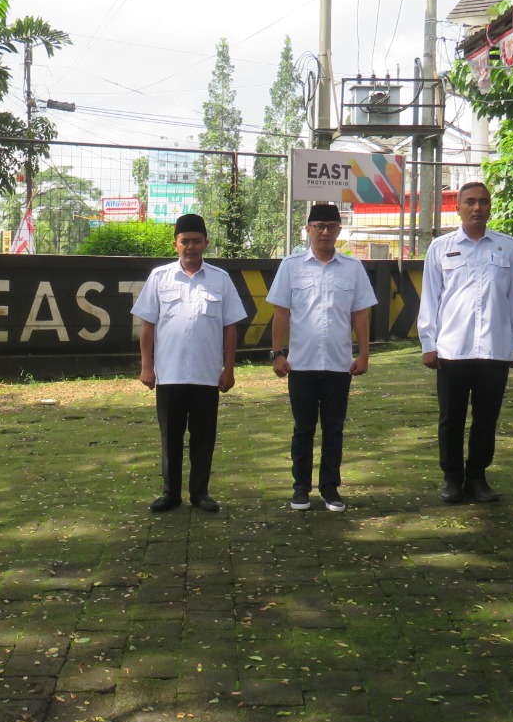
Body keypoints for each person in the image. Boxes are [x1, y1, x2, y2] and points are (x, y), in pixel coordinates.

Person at [417, 181, 513, 504]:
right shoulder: (441, 247)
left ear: (490, 207)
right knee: (450, 419)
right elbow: (430, 298)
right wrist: (428, 342)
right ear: (458, 207)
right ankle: (452, 478)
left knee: (486, 418)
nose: (477, 208)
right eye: (470, 202)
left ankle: (478, 477)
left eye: (483, 202)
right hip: (452, 348)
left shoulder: (508, 247)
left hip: (495, 348)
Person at [133, 213, 248, 513]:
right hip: (169, 374)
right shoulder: (159, 277)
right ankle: (170, 493)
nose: (191, 247)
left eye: (197, 241)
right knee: (170, 437)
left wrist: (229, 369)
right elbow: (147, 324)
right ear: (175, 244)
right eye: (185, 241)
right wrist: (146, 366)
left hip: (206, 375)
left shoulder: (221, 279)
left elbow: (230, 328)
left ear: (206, 243)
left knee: (203, 437)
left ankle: (200, 493)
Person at [266, 203, 376, 512]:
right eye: (318, 226)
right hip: (300, 364)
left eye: (330, 227)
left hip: (339, 365)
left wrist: (364, 355)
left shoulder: (353, 268)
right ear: (308, 230)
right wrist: (277, 354)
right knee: (303, 429)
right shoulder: (291, 266)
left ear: (339, 230)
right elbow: (281, 312)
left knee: (334, 429)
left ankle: (330, 489)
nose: (324, 232)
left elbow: (360, 315)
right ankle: (300, 488)